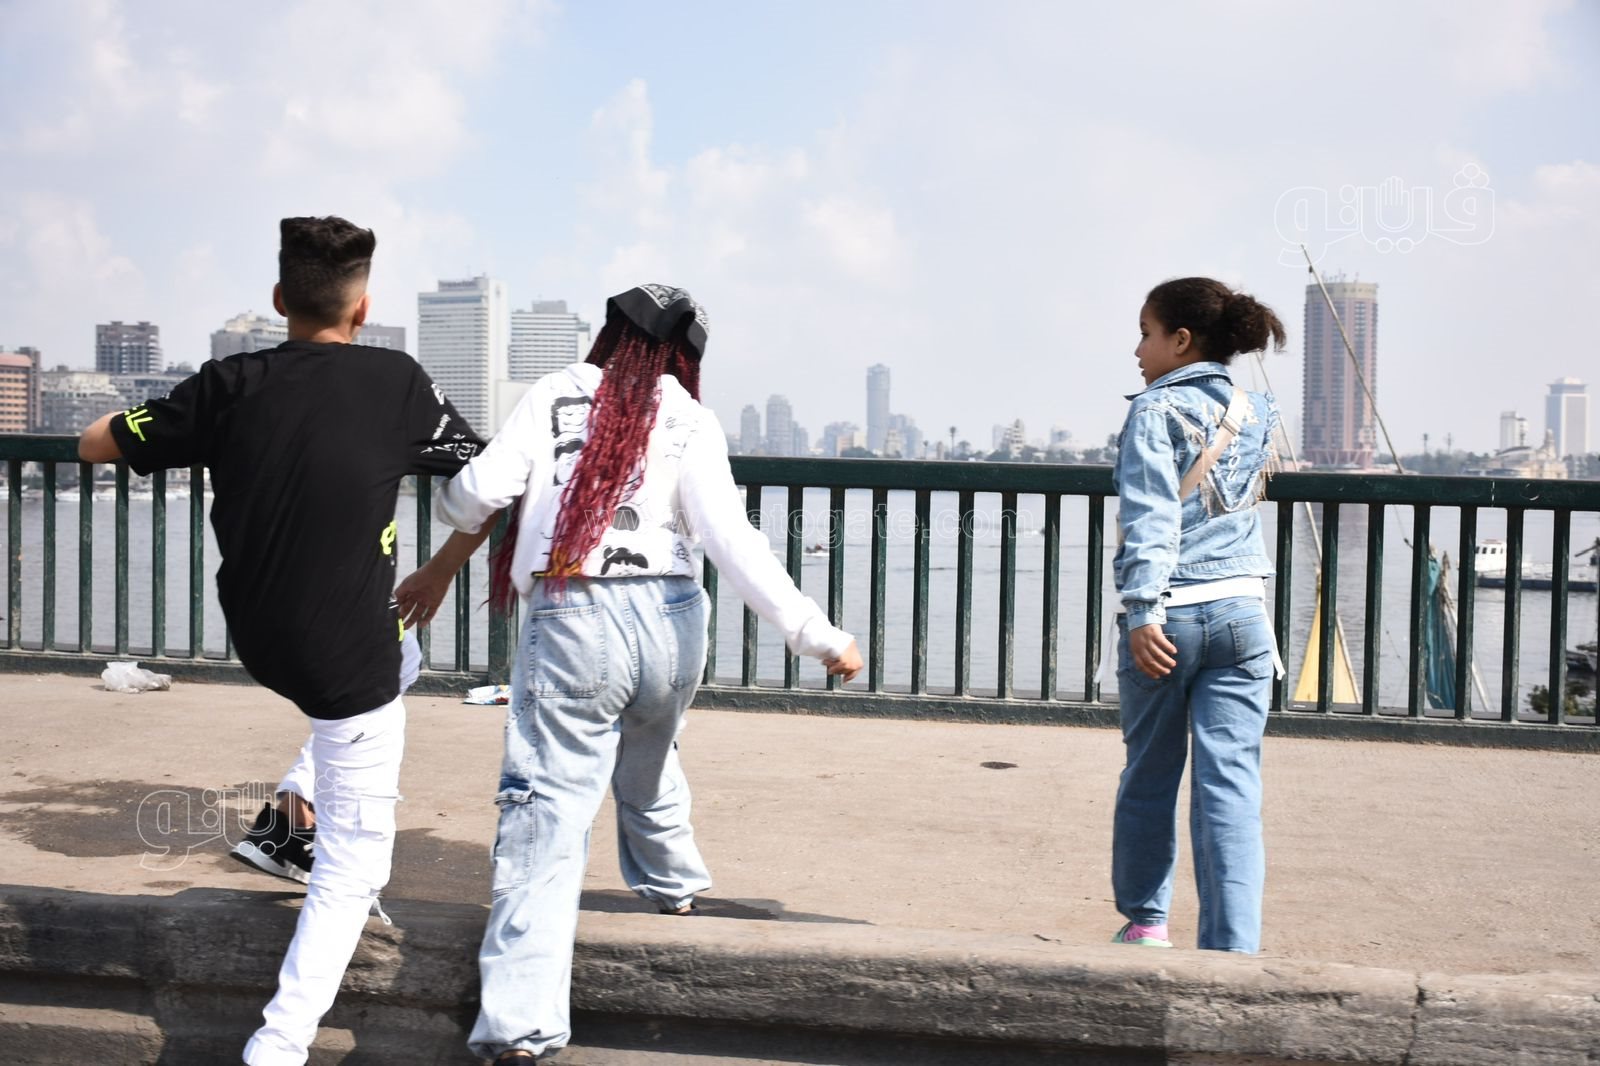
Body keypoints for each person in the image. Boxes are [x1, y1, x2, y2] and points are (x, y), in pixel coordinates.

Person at [395, 283, 863, 1065]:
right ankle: (675, 887)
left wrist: (454, 513)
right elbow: (733, 541)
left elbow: (476, 493)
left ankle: (519, 1029)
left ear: (611, 333)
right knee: (648, 748)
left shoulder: (556, 393)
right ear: (684, 356)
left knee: (546, 812)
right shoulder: (691, 416)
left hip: (574, 614)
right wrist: (818, 636)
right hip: (674, 620)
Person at [78, 216, 486, 1065]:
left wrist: (163, 418)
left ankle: (288, 816)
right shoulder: (397, 382)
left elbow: (93, 445)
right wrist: (442, 568)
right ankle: (279, 1046)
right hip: (344, 658)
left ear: (278, 299)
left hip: (261, 638)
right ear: (363, 308)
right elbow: (489, 482)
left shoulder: (228, 382)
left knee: (403, 654)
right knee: (355, 868)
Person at [1108, 276, 1285, 954]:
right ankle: (1232, 950)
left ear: (1180, 341)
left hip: (1171, 617)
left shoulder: (1154, 410)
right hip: (1243, 615)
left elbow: (1151, 517)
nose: (1138, 350)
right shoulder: (1256, 409)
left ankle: (1148, 923)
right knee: (1231, 788)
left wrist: (1142, 610)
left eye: (1146, 334)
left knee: (1150, 777)